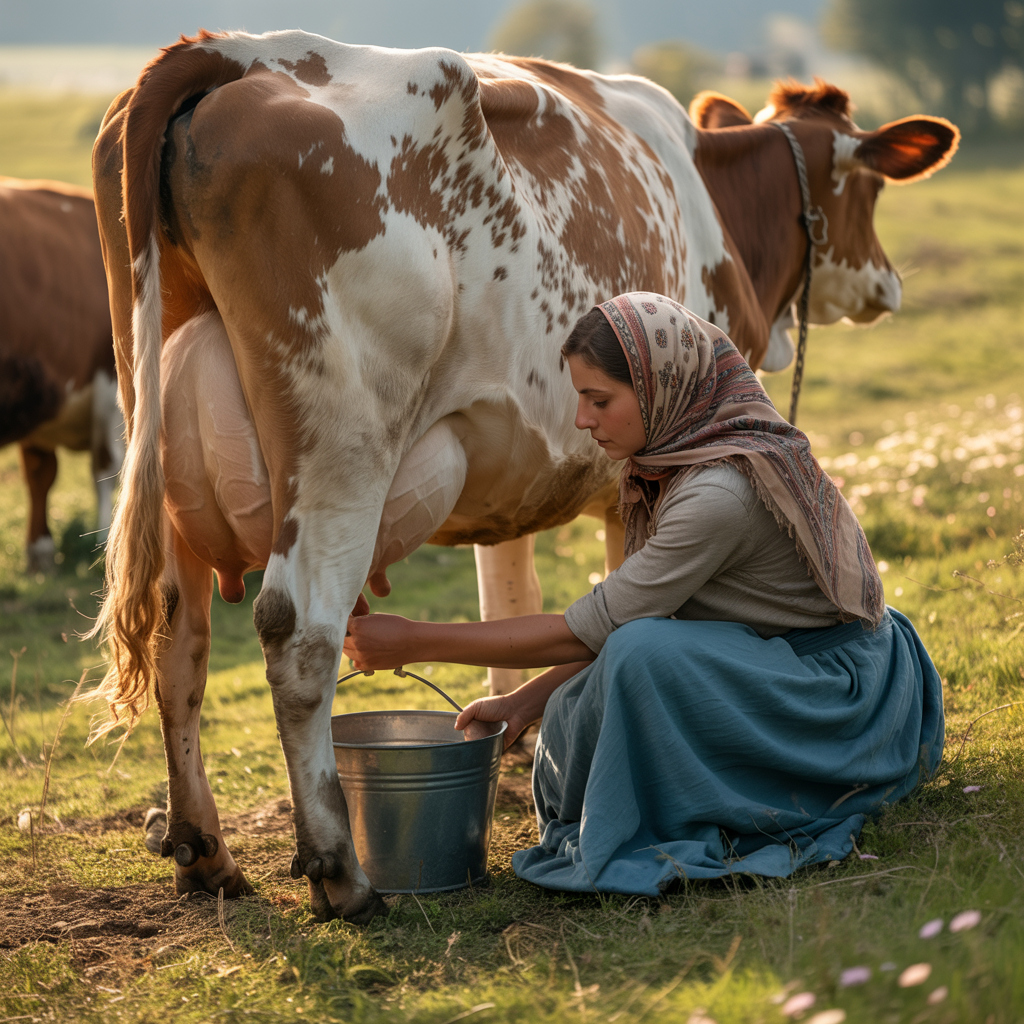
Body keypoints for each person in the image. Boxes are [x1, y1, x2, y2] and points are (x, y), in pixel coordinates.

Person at [343, 292, 944, 896]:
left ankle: (725, 801)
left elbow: (600, 628)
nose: (582, 420)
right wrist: (528, 703)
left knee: (639, 656)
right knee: (584, 705)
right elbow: (635, 614)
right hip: (769, 659)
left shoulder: (719, 493)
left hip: (837, 701)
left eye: (598, 400)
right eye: (580, 397)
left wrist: (414, 642)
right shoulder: (677, 458)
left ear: (659, 390)